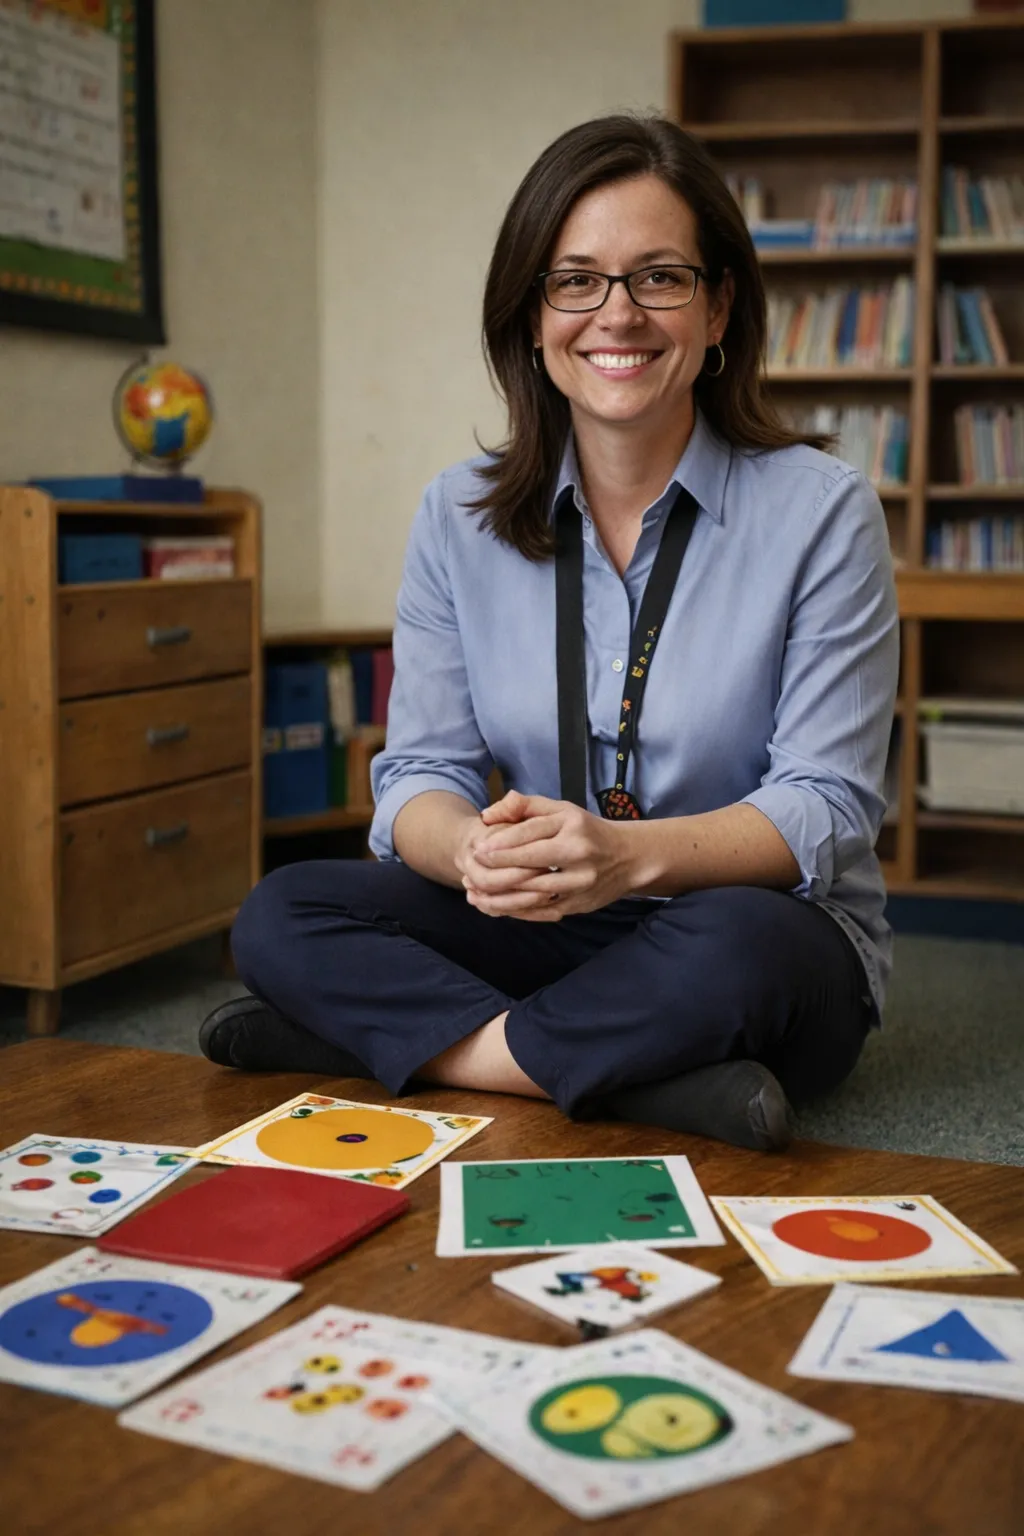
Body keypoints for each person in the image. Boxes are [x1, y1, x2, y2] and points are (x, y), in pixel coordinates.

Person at [200, 114, 898, 1152]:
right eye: (575, 281)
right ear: (531, 317)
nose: (615, 315)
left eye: (658, 277)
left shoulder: (821, 510)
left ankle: (398, 1047)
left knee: (747, 948)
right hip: (539, 924)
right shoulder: (457, 514)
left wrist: (627, 859)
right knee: (281, 911)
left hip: (734, 923)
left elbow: (826, 803)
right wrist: (475, 850)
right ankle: (621, 1076)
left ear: (717, 311)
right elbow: (419, 777)